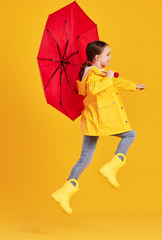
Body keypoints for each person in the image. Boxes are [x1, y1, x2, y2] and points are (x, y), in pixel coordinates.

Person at [51, 41, 146, 214]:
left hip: (92, 121)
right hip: (100, 120)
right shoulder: (93, 74)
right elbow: (95, 89)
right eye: (108, 54)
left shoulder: (99, 74)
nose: (110, 57)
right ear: (97, 57)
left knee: (85, 158)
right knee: (130, 135)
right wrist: (108, 77)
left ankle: (64, 192)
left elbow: (116, 82)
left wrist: (133, 85)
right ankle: (111, 167)